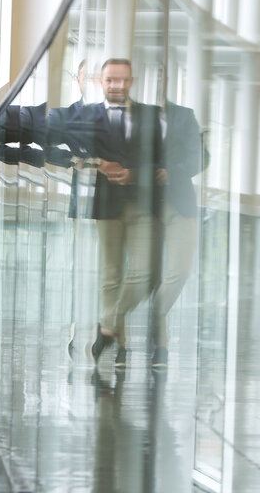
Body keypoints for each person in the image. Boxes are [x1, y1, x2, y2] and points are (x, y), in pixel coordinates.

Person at [58, 58, 162, 368]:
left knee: (146, 273)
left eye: (123, 80)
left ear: (132, 81)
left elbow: (163, 158)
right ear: (100, 82)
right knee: (111, 275)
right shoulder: (86, 115)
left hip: (143, 202)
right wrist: (99, 164)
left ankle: (107, 325)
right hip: (105, 202)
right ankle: (120, 345)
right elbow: (68, 151)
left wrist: (134, 173)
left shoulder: (152, 116)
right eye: (110, 80)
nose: (117, 86)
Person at [150, 101, 207, 367]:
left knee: (180, 271)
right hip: (141, 204)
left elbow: (201, 156)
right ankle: (160, 345)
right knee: (140, 274)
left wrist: (172, 172)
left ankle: (155, 313)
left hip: (179, 203)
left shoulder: (184, 116)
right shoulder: (128, 114)